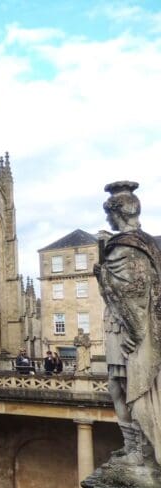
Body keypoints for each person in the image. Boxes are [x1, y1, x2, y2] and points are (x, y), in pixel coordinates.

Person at [95, 180, 161, 465]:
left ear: (119, 212)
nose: (108, 219)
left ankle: (139, 451)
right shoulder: (144, 244)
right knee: (118, 384)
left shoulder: (127, 246)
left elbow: (131, 290)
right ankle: (133, 445)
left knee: (126, 384)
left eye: (110, 214)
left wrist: (102, 273)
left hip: (128, 326)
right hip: (125, 323)